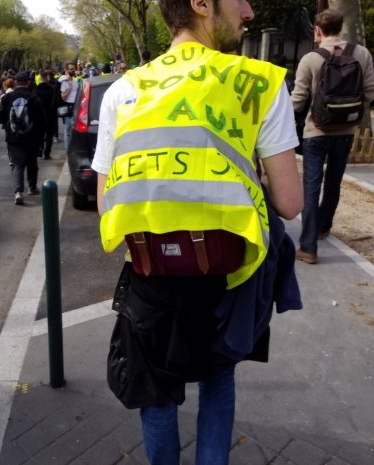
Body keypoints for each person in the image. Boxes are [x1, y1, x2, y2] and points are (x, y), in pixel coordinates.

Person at [92, 0, 304, 464]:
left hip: (152, 275)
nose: (248, 11)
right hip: (227, 279)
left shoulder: (122, 91)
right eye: (240, 0)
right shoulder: (261, 82)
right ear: (202, 4)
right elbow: (290, 204)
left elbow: (107, 206)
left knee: (158, 393)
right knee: (217, 377)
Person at [291, 8, 374, 264]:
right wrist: (352, 116)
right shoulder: (362, 54)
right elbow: (369, 92)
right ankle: (324, 227)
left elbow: (298, 99)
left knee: (311, 185)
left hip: (316, 131)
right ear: (341, 26)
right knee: (334, 182)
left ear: (317, 30)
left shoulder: (310, 59)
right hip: (346, 132)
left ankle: (308, 247)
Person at [0, 71, 46, 205]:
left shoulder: (7, 98)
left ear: (15, 82)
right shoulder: (34, 98)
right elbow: (41, 120)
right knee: (32, 163)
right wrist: (42, 139)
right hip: (32, 137)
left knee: (18, 164)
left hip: (13, 138)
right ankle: (32, 187)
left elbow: (0, 118)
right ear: (28, 82)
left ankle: (18, 192)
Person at [33, 70, 57, 159]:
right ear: (47, 77)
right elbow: (54, 103)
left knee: (40, 134)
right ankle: (47, 153)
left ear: (40, 77)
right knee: (49, 136)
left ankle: (40, 149)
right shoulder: (52, 89)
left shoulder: (36, 90)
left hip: (39, 116)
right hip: (50, 114)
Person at [58, 62, 80, 150]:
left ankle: (75, 146)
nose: (73, 70)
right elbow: (63, 97)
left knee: (76, 128)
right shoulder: (64, 82)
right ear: (67, 70)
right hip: (67, 106)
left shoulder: (76, 81)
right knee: (67, 128)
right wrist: (69, 88)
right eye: (70, 69)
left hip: (76, 105)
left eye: (73, 68)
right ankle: (68, 149)